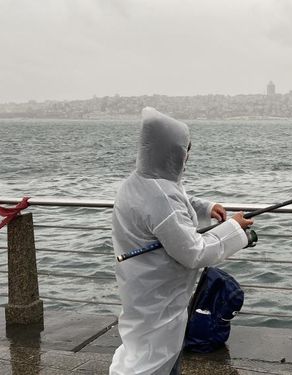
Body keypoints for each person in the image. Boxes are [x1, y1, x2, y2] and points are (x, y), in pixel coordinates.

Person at [109, 107, 254, 375]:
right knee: (154, 357)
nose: (187, 156)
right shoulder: (159, 197)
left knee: (142, 348)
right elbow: (193, 252)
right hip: (159, 296)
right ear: (171, 152)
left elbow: (177, 202)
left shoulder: (139, 183)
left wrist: (206, 208)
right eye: (185, 149)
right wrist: (235, 229)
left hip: (141, 287)